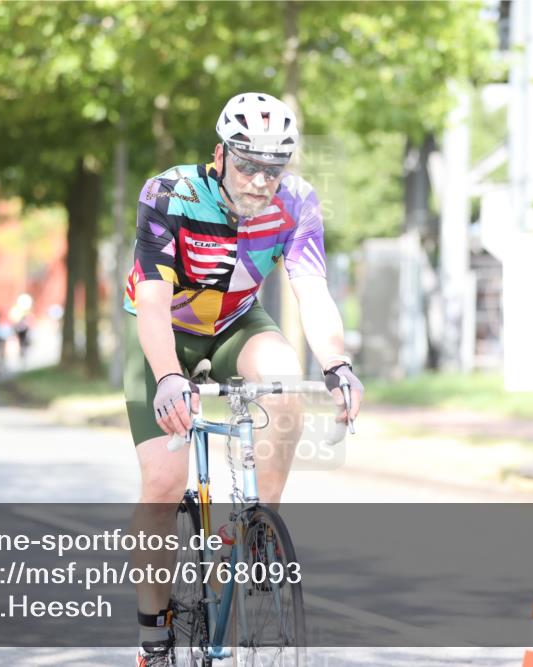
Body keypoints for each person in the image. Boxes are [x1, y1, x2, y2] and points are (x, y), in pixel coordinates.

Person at [122, 92, 364, 665]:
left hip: (236, 321)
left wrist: (337, 363)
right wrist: (166, 378)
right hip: (169, 330)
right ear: (220, 155)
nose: (261, 180)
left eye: (274, 167)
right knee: (162, 482)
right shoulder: (171, 193)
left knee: (285, 382)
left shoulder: (298, 203)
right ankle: (154, 633)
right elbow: (152, 303)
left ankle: (256, 530)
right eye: (248, 163)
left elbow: (312, 290)